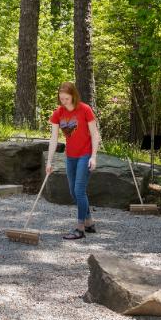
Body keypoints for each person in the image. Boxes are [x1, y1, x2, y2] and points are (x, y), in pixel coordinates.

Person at [45, 82, 100, 240]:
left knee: (79, 191)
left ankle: (80, 228)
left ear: (73, 96)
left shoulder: (85, 109)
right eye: (61, 98)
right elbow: (54, 139)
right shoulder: (58, 113)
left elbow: (95, 134)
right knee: (73, 191)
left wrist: (94, 156)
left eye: (67, 98)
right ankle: (89, 222)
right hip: (71, 156)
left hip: (85, 154)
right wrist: (49, 162)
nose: (64, 101)